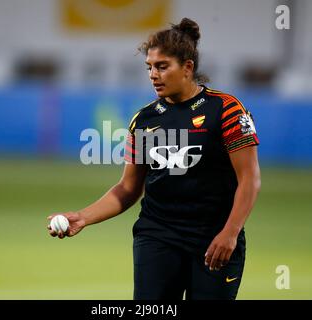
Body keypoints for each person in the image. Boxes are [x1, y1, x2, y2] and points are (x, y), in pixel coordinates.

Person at [47, 17, 261, 300]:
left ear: (187, 68)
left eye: (162, 66)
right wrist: (83, 217)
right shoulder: (145, 120)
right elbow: (128, 188)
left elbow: (250, 179)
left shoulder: (227, 110)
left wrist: (230, 232)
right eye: (149, 67)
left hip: (215, 239)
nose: (153, 75)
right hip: (157, 236)